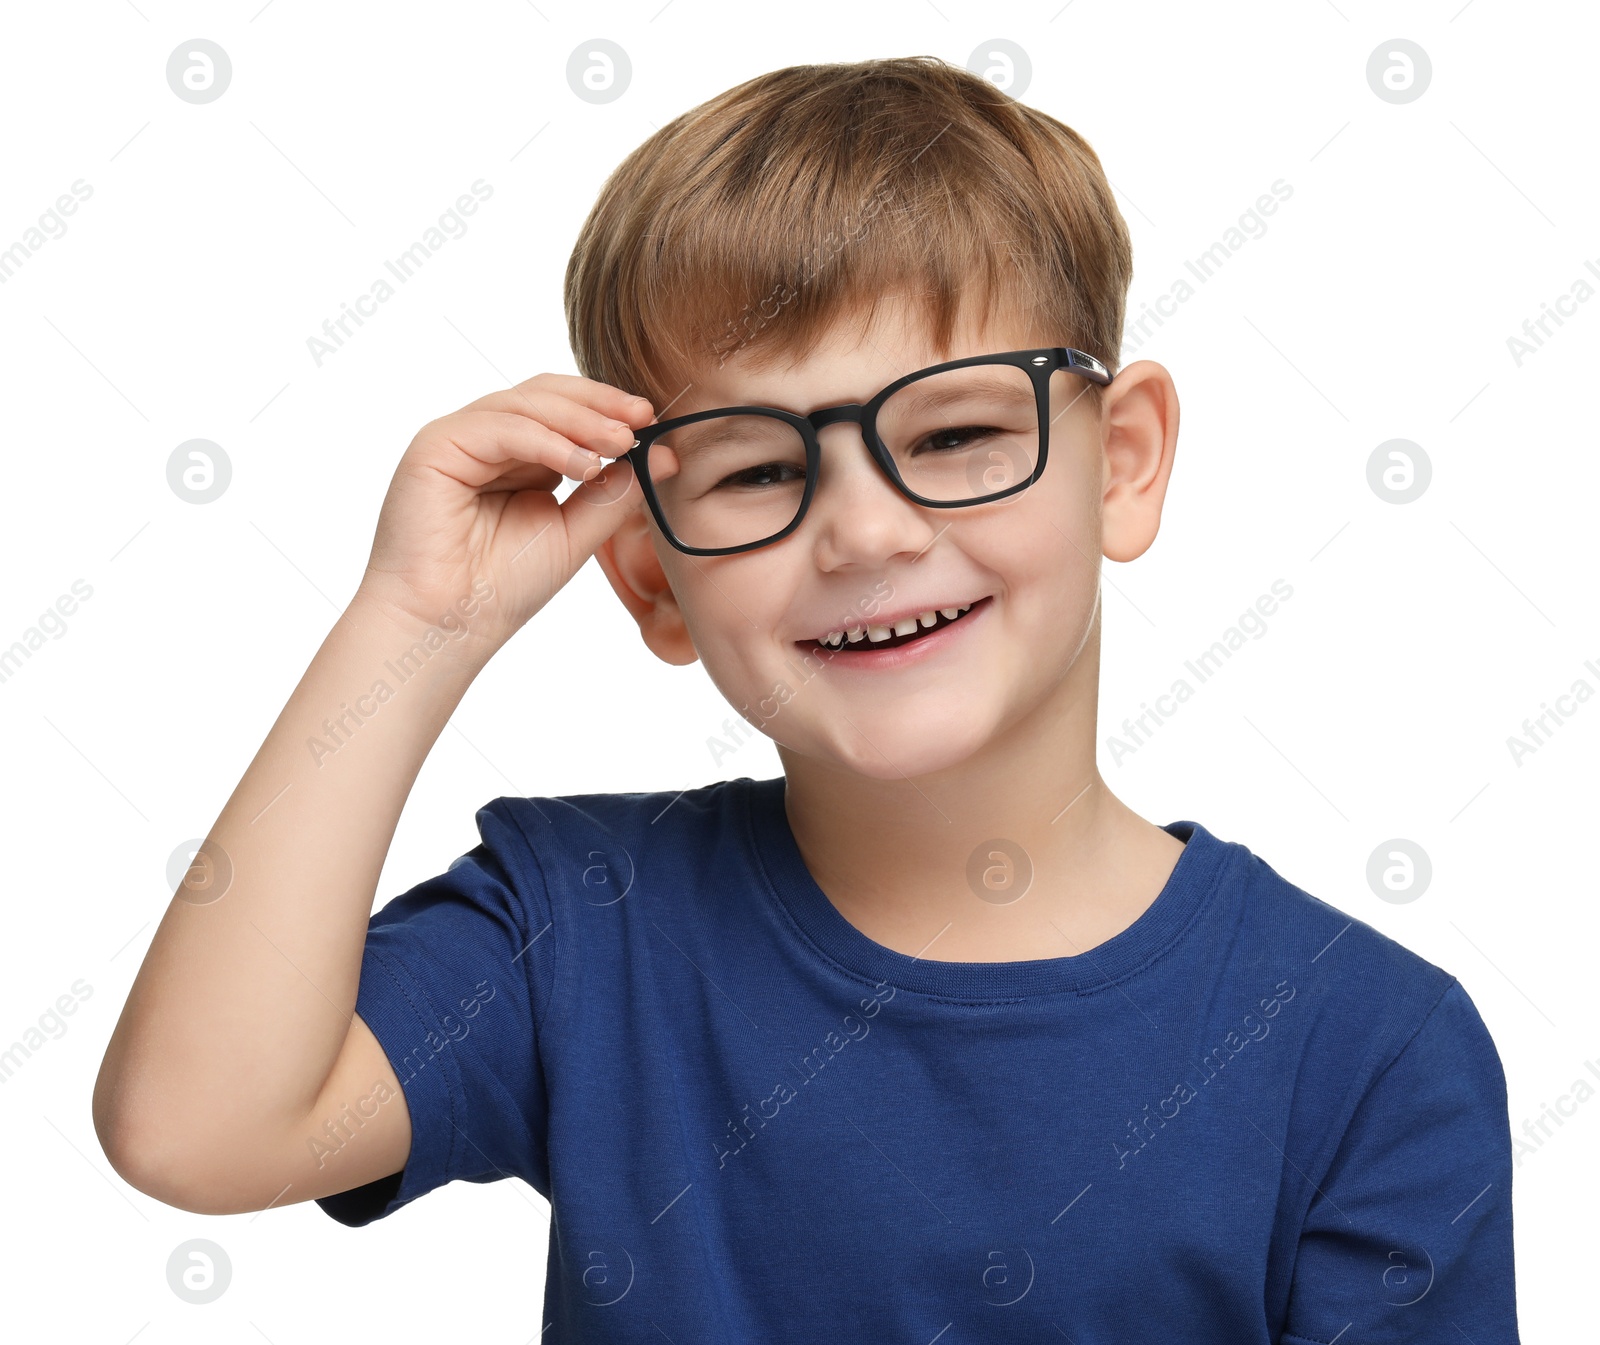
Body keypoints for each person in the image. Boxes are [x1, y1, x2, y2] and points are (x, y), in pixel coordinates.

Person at [93, 55, 1520, 1342]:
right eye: (759, 469)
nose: (865, 531)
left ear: (1126, 460)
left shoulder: (1369, 1050)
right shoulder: (583, 927)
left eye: (955, 431)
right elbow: (196, 1127)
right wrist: (418, 624)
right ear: (649, 575)